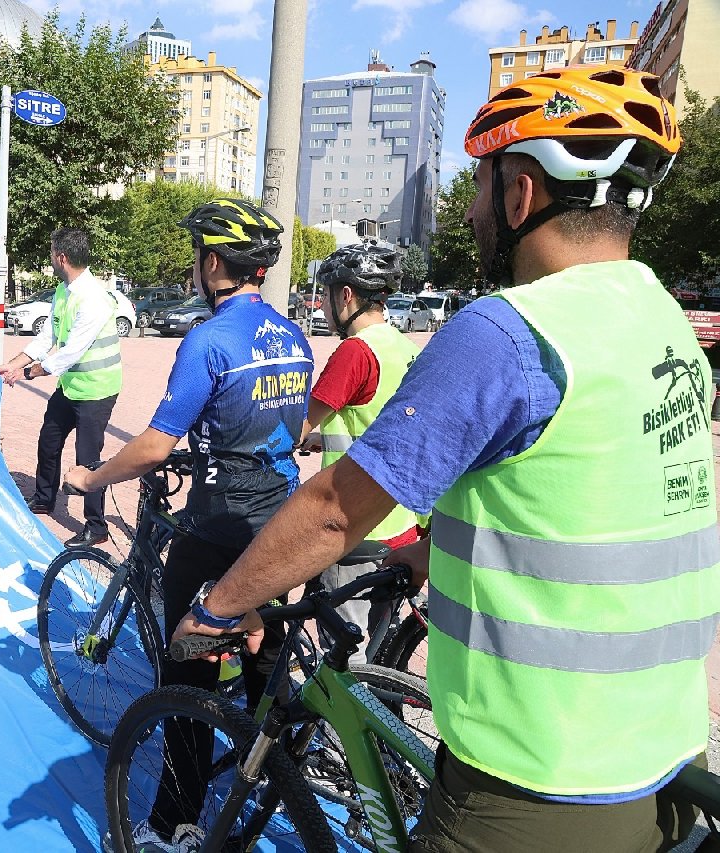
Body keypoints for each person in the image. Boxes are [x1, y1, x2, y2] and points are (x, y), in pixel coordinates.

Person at [173, 66, 716, 851]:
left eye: (480, 184)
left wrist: (217, 606)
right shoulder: (663, 318)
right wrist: (431, 551)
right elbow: (583, 489)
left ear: (521, 193)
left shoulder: (509, 332)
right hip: (665, 747)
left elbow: (333, 507)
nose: (469, 210)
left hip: (538, 779)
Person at [66, 198, 312, 851]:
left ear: (212, 263)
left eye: (196, 260)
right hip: (279, 520)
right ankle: (270, 770)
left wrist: (90, 477)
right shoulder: (292, 334)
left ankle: (176, 820)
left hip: (215, 527)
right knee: (264, 657)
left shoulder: (209, 339)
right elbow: (298, 426)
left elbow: (151, 445)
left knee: (186, 672)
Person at [298, 242, 422, 664]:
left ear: (346, 295)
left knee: (343, 658)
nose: (325, 307)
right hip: (403, 528)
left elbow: (299, 424)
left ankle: (339, 732)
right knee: (380, 653)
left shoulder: (355, 351)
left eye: (328, 295)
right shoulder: (405, 348)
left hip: (357, 529)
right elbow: (378, 419)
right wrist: (326, 439)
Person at [0, 228, 122, 548]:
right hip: (71, 387)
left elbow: (70, 353)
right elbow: (47, 339)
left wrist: (29, 373)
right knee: (48, 441)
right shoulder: (63, 291)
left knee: (88, 460)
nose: (50, 257)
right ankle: (43, 498)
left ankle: (96, 526)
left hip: (97, 389)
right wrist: (14, 362)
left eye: (52, 252)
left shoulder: (93, 298)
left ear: (61, 258)